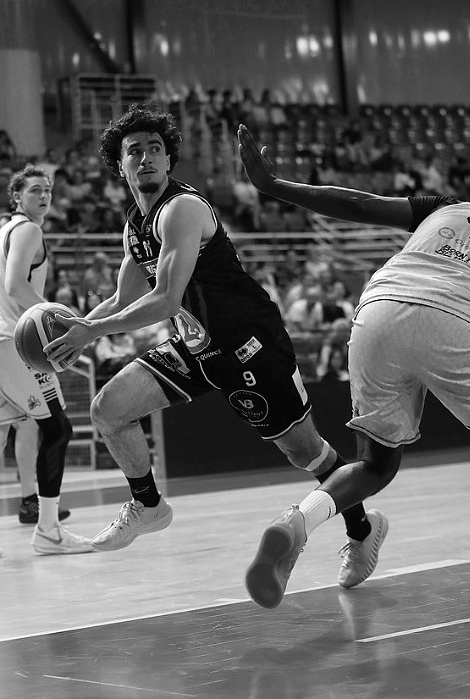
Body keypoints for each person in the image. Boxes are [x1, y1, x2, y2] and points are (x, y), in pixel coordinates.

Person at [45, 104, 375, 593]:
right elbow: (123, 298)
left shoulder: (182, 208)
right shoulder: (135, 223)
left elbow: (164, 299)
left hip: (249, 344)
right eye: (134, 151)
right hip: (196, 345)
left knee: (304, 451)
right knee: (108, 410)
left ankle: (363, 532)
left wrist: (90, 333)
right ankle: (148, 504)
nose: (146, 157)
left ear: (169, 159)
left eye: (155, 148)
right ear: (120, 165)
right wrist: (75, 330)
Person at [237, 122, 470, 608]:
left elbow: (359, 205)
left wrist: (274, 185)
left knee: (375, 463)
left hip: (379, 307)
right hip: (453, 314)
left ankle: (298, 522)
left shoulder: (450, 207)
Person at [0, 165, 92, 554]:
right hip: (13, 343)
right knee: (57, 430)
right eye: (35, 190)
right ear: (16, 196)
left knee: (10, 429)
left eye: (48, 190)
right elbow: (14, 285)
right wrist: (57, 318)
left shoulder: (4, 230)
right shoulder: (28, 230)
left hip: (2, 341)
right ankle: (48, 531)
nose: (44, 196)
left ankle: (36, 511)